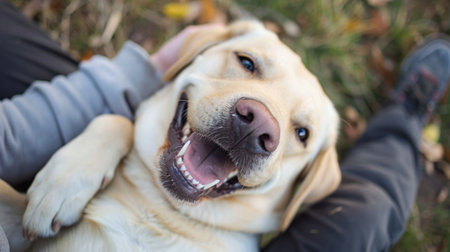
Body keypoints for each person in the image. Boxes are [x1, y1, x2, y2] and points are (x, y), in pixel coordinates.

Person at [0, 0, 449, 251]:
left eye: (300, 133)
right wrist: (108, 131)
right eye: (248, 64)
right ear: (196, 53)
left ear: (304, 184)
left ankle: (403, 119)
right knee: (366, 212)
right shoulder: (107, 147)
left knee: (363, 211)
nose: (262, 122)